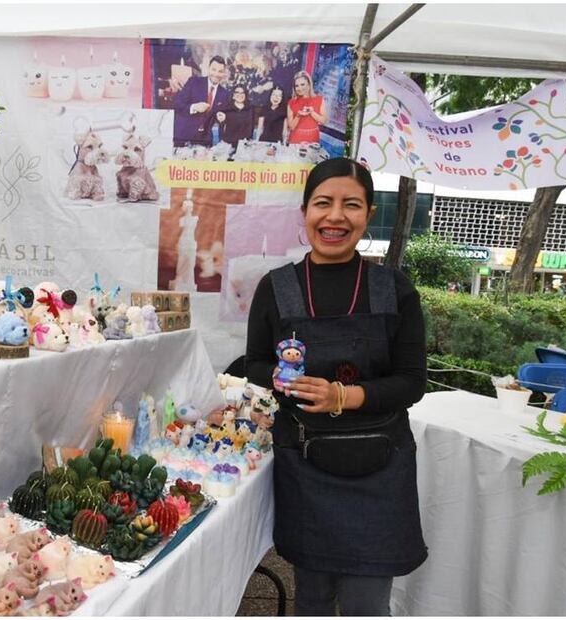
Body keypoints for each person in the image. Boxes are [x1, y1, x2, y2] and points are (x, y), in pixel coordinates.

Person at [245, 157, 428, 616]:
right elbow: (254, 363)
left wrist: (341, 397)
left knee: (368, 603)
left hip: (380, 462)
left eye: (352, 205)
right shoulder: (277, 287)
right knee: (312, 597)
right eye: (323, 203)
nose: (335, 217)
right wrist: (280, 378)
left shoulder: (393, 289)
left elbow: (412, 381)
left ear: (368, 214)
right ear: (305, 211)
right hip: (306, 463)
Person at [172, 55, 231, 147]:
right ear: (208, 69)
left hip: (205, 141)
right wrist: (194, 107)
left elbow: (222, 117)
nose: (216, 74)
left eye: (220, 71)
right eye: (214, 69)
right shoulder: (194, 82)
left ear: (224, 74)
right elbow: (177, 104)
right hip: (184, 137)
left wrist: (223, 118)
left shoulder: (224, 94)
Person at [287, 70, 328, 145]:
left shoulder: (319, 99)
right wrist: (298, 116)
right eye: (297, 86)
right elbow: (291, 127)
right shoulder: (291, 102)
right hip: (296, 138)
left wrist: (312, 113)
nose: (299, 88)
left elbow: (324, 121)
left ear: (309, 85)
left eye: (302, 84)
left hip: (313, 138)